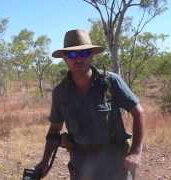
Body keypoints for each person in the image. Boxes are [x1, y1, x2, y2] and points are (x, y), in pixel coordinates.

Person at [35, 29, 144, 180]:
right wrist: (45, 162)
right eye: (72, 54)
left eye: (84, 53)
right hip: (81, 167)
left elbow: (138, 112)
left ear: (92, 56)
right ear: (65, 58)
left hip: (115, 165)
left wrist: (135, 152)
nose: (78, 59)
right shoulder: (60, 92)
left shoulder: (111, 82)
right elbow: (54, 131)